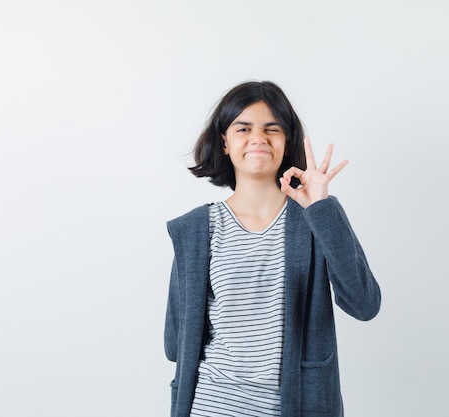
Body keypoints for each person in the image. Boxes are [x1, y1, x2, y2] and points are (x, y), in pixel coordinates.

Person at [163, 80, 381, 417]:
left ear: (286, 141)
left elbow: (364, 304)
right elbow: (176, 343)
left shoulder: (316, 216)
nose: (258, 138)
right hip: (211, 405)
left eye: (272, 128)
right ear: (224, 142)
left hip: (296, 406)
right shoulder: (195, 229)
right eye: (243, 128)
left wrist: (320, 208)